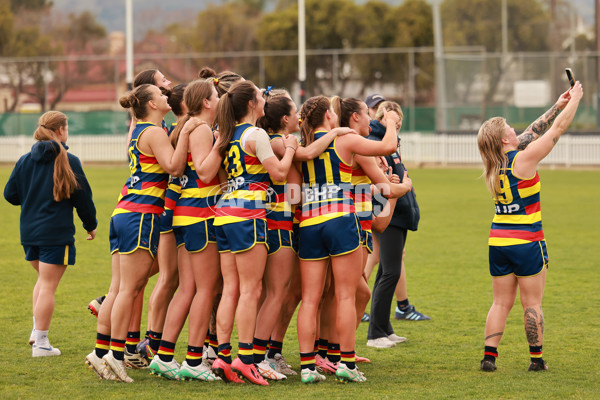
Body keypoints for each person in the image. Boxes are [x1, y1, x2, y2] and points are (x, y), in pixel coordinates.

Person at [84, 83, 198, 383]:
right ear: (150, 103)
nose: (166, 96)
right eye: (160, 95)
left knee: (122, 288)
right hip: (141, 214)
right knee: (129, 289)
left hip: (124, 211)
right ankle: (116, 355)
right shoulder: (155, 132)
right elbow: (174, 167)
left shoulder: (139, 130)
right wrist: (186, 132)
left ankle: (102, 353)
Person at [477, 82, 582, 372]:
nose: (514, 129)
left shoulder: (495, 164)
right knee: (532, 302)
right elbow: (555, 131)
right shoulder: (522, 160)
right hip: (527, 241)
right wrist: (576, 100)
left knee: (500, 303)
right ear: (503, 140)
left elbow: (533, 131)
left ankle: (489, 358)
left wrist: (558, 104)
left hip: (498, 241)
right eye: (508, 128)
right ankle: (536, 359)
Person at [295, 95, 398, 384]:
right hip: (340, 220)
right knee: (345, 295)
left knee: (310, 299)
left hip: (309, 223)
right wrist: (389, 121)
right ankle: (346, 363)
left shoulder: (304, 145)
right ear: (329, 115)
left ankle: (307, 367)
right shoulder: (345, 140)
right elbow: (388, 146)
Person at [211, 80, 298, 386]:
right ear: (251, 103)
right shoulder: (256, 133)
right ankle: (247, 359)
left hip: (224, 213)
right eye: (260, 96)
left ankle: (222, 356)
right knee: (252, 290)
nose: (264, 99)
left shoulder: (226, 134)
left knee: (232, 288)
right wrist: (289, 149)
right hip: (249, 213)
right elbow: (278, 173)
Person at [4, 111, 97, 357]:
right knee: (47, 285)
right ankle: (42, 344)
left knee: (43, 282)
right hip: (55, 233)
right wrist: (91, 224)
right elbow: (83, 199)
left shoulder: (25, 159)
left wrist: (33, 195)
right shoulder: (69, 160)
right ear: (60, 131)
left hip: (29, 233)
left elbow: (10, 195)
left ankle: (37, 332)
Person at [148, 78, 221, 382]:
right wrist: (223, 143)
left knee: (188, 288)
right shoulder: (202, 128)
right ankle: (193, 359)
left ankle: (164, 356)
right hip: (200, 213)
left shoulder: (189, 126)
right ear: (206, 102)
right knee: (204, 288)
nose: (219, 100)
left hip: (184, 215)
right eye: (216, 95)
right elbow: (204, 170)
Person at [366, 100, 424, 349]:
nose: (397, 122)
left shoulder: (391, 142)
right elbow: (382, 184)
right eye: (392, 117)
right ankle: (375, 335)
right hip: (389, 212)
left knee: (386, 272)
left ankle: (384, 328)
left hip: (398, 212)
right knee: (390, 272)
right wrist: (403, 188)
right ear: (381, 118)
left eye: (399, 118)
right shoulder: (377, 139)